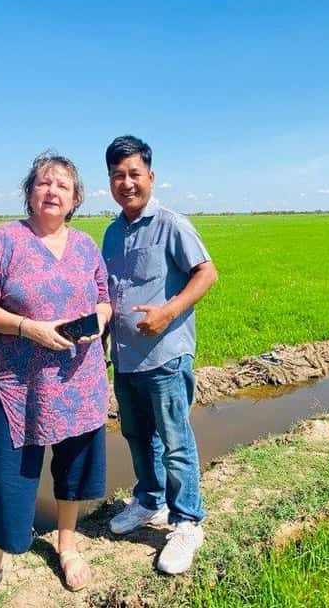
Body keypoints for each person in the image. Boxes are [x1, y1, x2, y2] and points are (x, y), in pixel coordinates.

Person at [0, 152, 111, 607]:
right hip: (20, 385)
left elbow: (105, 297)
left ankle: (67, 544)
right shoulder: (5, 239)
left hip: (79, 379)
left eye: (63, 186)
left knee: (74, 468)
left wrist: (99, 320)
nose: (53, 191)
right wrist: (29, 328)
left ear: (75, 199)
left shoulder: (86, 245)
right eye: (44, 183)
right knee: (10, 475)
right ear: (30, 191)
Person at [101, 135, 218, 575]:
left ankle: (188, 520)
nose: (127, 182)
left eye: (134, 174)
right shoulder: (111, 233)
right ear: (109, 181)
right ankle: (149, 500)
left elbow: (207, 273)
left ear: (150, 176)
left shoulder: (172, 224)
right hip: (126, 358)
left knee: (175, 441)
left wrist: (168, 312)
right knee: (136, 436)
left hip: (166, 356)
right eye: (118, 175)